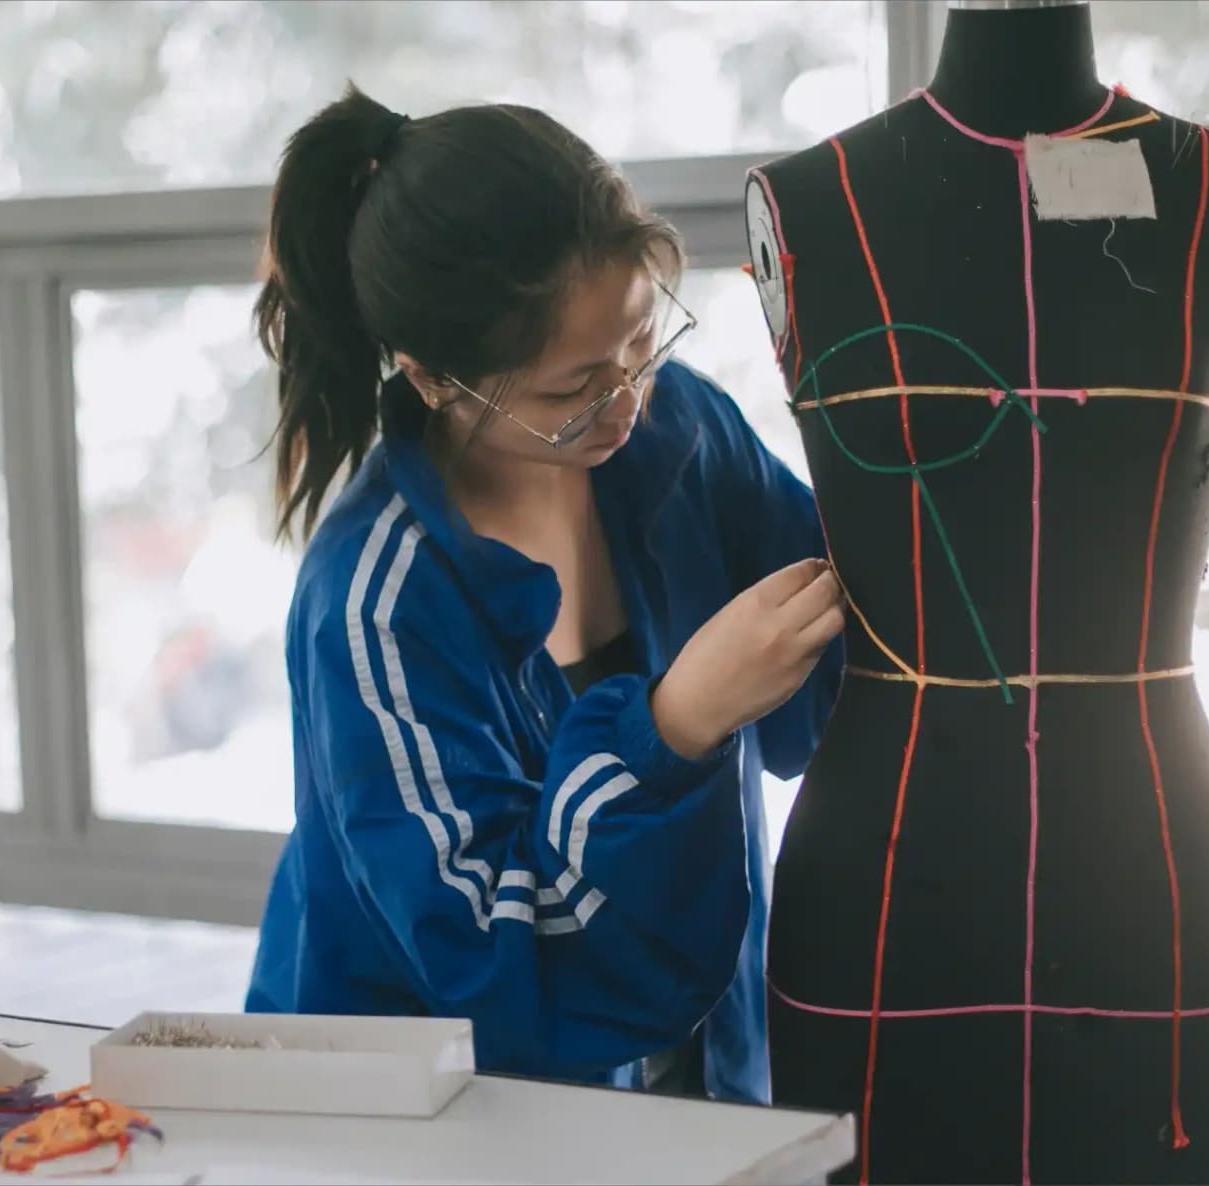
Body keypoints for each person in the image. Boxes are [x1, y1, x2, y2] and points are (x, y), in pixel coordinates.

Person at [238, 85, 847, 1106]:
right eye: (572, 389)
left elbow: (842, 680)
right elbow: (493, 962)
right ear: (433, 377)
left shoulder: (678, 431)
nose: (626, 398)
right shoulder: (375, 603)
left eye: (641, 340)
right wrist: (674, 724)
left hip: (694, 1075)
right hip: (443, 1112)